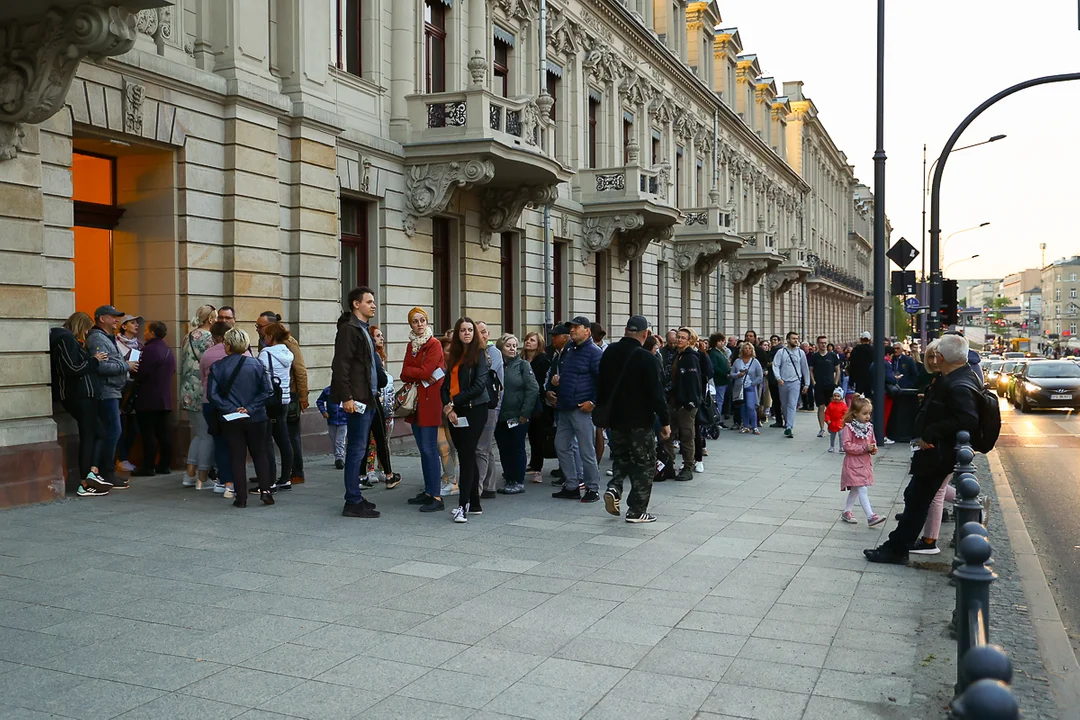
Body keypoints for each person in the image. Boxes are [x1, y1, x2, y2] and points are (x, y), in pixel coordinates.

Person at [864, 333, 984, 564]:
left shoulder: (958, 383)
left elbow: (968, 419)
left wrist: (930, 432)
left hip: (937, 453)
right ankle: (896, 545)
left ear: (940, 357)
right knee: (915, 497)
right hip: (934, 452)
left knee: (918, 500)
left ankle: (897, 548)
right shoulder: (956, 377)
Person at [599, 316, 671, 523]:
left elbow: (601, 384)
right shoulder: (647, 358)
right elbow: (657, 394)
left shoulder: (609, 352)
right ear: (645, 334)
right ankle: (636, 510)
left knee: (621, 458)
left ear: (625, 330)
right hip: (640, 420)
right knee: (644, 463)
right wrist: (665, 422)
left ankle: (614, 488)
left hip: (615, 419)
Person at [207, 328, 275, 508]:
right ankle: (266, 492)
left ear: (227, 345)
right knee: (260, 453)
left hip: (231, 418)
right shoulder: (257, 365)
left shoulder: (218, 366)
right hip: (256, 416)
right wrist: (250, 408)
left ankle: (241, 497)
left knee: (236, 457)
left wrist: (232, 408)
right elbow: (267, 390)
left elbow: (212, 395)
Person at [331, 287, 382, 519]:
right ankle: (352, 500)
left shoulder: (363, 330)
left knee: (360, 450)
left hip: (368, 397)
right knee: (355, 450)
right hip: (358, 399)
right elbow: (341, 366)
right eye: (369, 302)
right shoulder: (349, 330)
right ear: (355, 304)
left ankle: (356, 496)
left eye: (373, 302)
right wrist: (347, 397)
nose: (373, 305)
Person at [50, 312, 111, 496]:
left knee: (98, 433)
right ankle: (85, 480)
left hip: (84, 395)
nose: (86, 332)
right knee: (90, 436)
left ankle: (91, 473)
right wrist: (94, 360)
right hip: (80, 396)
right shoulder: (66, 340)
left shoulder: (69, 340)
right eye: (86, 328)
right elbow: (72, 369)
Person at [442, 316, 491, 523]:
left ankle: (463, 506)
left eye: (470, 330)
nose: (467, 333)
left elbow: (479, 386)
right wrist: (448, 407)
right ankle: (475, 503)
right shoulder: (453, 355)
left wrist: (454, 403)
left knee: (467, 455)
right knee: (465, 454)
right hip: (456, 410)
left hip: (474, 409)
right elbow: (445, 385)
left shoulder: (479, 355)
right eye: (463, 330)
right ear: (458, 333)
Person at [550, 316, 603, 501]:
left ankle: (593, 488)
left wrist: (594, 402)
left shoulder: (594, 352)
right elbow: (568, 376)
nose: (572, 330)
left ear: (587, 331)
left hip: (582, 408)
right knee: (561, 445)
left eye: (576, 327)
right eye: (571, 328)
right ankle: (572, 485)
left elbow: (603, 381)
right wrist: (555, 385)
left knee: (586, 449)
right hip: (565, 407)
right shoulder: (569, 351)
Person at [399, 307, 446, 512]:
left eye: (422, 320)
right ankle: (428, 491)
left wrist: (414, 372)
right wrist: (416, 373)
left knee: (429, 449)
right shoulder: (412, 345)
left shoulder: (433, 344)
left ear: (427, 322)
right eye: (415, 321)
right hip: (416, 403)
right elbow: (403, 373)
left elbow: (427, 371)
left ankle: (436, 496)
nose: (419, 324)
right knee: (423, 449)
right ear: (410, 324)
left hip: (430, 401)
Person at [86, 305, 137, 488]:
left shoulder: (106, 338)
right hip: (105, 392)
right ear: (102, 318)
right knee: (113, 432)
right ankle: (107, 472)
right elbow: (101, 366)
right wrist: (126, 366)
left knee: (113, 431)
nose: (117, 320)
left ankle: (107, 471)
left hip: (112, 391)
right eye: (113, 317)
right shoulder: (97, 339)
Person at [493, 334, 539, 495]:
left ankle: (518, 480)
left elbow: (533, 389)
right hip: (499, 415)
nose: (512, 349)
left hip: (518, 415)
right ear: (501, 348)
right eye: (508, 346)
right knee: (504, 447)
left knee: (517, 447)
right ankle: (509, 478)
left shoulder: (523, 365)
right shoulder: (496, 365)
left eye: (514, 346)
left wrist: (525, 412)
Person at [130, 321, 176, 477]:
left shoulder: (149, 350)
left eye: (147, 330)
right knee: (163, 434)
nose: (144, 333)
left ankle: (148, 466)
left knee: (147, 433)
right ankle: (165, 464)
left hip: (149, 398)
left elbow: (141, 372)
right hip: (164, 399)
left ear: (153, 333)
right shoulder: (167, 350)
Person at [179, 304, 217, 490]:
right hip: (202, 390)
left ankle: (190, 474)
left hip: (187, 390)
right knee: (207, 434)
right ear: (210, 319)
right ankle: (202, 476)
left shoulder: (188, 336)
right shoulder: (208, 338)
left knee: (199, 433)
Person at [661, 327, 703, 481]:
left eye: (683, 338)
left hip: (685, 404)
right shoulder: (677, 355)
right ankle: (668, 466)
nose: (679, 340)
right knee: (668, 435)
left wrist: (689, 402)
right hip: (673, 401)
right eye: (678, 337)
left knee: (687, 436)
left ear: (690, 340)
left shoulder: (690, 357)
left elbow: (693, 381)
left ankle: (688, 467)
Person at [199, 321, 236, 495]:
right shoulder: (241, 353)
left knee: (219, 442)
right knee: (236, 442)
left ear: (217, 337)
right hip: (234, 403)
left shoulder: (207, 354)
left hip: (210, 403)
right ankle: (233, 480)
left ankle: (223, 480)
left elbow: (202, 378)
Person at [363, 324, 400, 490]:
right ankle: (383, 473)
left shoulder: (378, 355)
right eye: (378, 336)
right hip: (376, 401)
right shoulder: (373, 356)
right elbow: (382, 380)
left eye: (382, 335)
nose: (381, 338)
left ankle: (374, 471)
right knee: (376, 439)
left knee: (377, 439)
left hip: (383, 404)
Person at [839, 395, 885, 527]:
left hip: (864, 463)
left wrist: (873, 448)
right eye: (864, 413)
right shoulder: (849, 428)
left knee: (856, 489)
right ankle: (870, 516)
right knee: (862, 488)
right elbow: (846, 445)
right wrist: (864, 448)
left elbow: (873, 441)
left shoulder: (869, 427)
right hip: (853, 464)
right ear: (855, 413)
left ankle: (847, 511)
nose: (868, 416)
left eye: (869, 413)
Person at [260, 322, 295, 492]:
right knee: (284, 439)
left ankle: (270, 480)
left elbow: (260, 377)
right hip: (284, 399)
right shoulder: (287, 353)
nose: (264, 338)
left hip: (269, 401)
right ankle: (285, 478)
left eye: (266, 335)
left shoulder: (265, 354)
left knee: (266, 440)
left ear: (271, 337)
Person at [472, 321, 505, 500]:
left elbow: (483, 376)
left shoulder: (494, 353)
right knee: (486, 448)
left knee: (480, 448)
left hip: (491, 405)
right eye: (479, 333)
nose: (482, 336)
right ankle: (489, 486)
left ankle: (476, 491)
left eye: (484, 332)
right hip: (480, 405)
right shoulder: (475, 352)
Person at [522, 331, 551, 481]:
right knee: (529, 435)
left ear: (538, 344)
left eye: (532, 340)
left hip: (538, 402)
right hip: (523, 401)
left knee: (537, 435)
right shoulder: (521, 358)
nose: (528, 342)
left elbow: (539, 382)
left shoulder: (543, 360)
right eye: (527, 340)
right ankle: (532, 464)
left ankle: (538, 468)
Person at [115, 314, 142, 473]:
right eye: (132, 323)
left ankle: (124, 457)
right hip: (119, 387)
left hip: (133, 388)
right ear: (124, 326)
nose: (136, 325)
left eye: (137, 323)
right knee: (120, 424)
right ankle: (121, 458)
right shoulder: (115, 343)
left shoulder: (138, 345)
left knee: (134, 425)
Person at [283, 326, 310, 486]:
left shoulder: (289, 342)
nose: (257, 329)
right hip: (277, 396)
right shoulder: (264, 341)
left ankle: (297, 472)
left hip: (291, 395)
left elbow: (300, 370)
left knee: (292, 435)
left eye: (261, 326)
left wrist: (303, 397)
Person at [773, 332, 811, 439]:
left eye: (797, 338)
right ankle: (787, 421)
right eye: (793, 338)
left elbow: (805, 368)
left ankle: (789, 426)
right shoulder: (781, 352)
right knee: (784, 404)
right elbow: (775, 365)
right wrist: (778, 378)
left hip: (796, 382)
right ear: (788, 340)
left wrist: (807, 384)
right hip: (783, 382)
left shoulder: (801, 353)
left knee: (792, 404)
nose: (796, 340)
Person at [809, 335, 841, 437]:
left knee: (832, 407)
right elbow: (811, 370)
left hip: (830, 385)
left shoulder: (832, 356)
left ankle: (832, 426)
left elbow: (838, 370)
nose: (823, 345)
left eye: (825, 343)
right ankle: (822, 428)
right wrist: (813, 382)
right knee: (820, 407)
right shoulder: (814, 356)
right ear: (818, 344)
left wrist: (835, 382)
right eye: (821, 343)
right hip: (819, 385)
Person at [731, 342, 763, 434]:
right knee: (743, 406)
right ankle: (745, 425)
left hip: (750, 387)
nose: (747, 350)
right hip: (740, 387)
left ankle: (754, 426)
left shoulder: (755, 362)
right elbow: (732, 374)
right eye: (746, 348)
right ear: (742, 350)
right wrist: (738, 375)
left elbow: (759, 376)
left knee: (750, 406)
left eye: (749, 348)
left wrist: (753, 383)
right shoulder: (737, 361)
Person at [316, 386, 348, 470]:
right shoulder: (327, 391)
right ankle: (337, 456)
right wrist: (323, 412)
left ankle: (339, 458)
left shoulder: (347, 390)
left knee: (340, 440)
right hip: (331, 420)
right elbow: (319, 401)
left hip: (344, 420)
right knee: (334, 440)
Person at [707, 333, 730, 429]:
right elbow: (715, 367)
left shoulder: (720, 352)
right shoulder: (713, 353)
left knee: (721, 400)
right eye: (720, 341)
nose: (722, 343)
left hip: (723, 381)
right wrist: (725, 374)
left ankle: (719, 419)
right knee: (718, 401)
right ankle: (717, 420)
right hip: (719, 380)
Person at [765, 335, 783, 428]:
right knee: (777, 400)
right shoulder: (771, 350)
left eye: (775, 340)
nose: (773, 341)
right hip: (773, 378)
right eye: (772, 340)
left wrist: (771, 364)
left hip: (777, 379)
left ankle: (781, 420)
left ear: (779, 341)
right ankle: (780, 420)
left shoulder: (779, 350)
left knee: (779, 400)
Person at [824, 387, 847, 453]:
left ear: (841, 397)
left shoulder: (843, 406)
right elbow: (827, 413)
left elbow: (845, 414)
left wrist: (844, 421)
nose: (836, 397)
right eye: (835, 396)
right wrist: (827, 420)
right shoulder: (830, 405)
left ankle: (841, 447)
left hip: (840, 423)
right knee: (832, 435)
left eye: (838, 396)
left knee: (841, 435)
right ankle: (832, 446)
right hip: (832, 423)